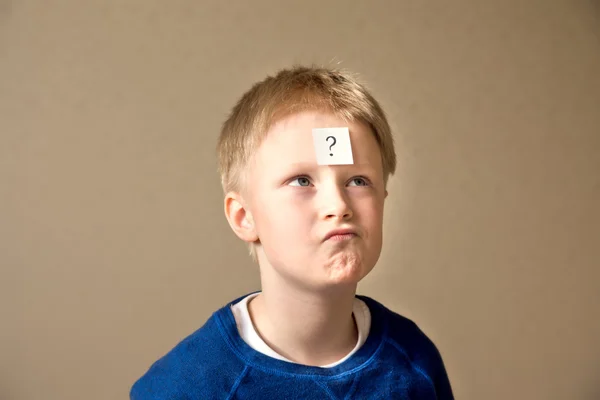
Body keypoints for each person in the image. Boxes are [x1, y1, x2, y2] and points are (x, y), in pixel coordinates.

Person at [130, 65, 454, 399]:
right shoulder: (184, 388)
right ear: (244, 216)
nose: (338, 205)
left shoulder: (415, 363)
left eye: (357, 181)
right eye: (302, 180)